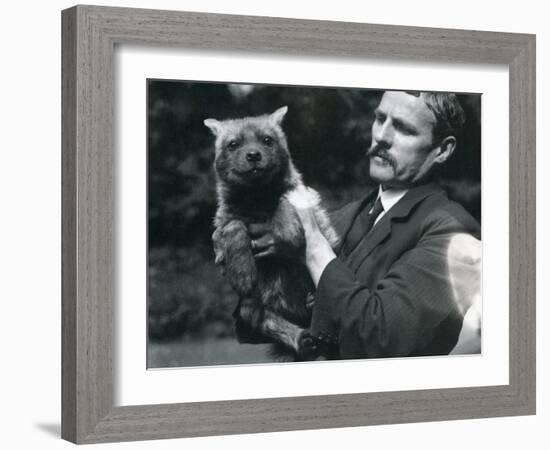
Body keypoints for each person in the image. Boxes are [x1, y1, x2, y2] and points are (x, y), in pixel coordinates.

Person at [252, 90, 482, 359]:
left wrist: (313, 245)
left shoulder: (454, 230)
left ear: (442, 150)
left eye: (404, 129)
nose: (381, 137)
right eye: (379, 118)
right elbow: (253, 319)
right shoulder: (346, 214)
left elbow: (380, 338)